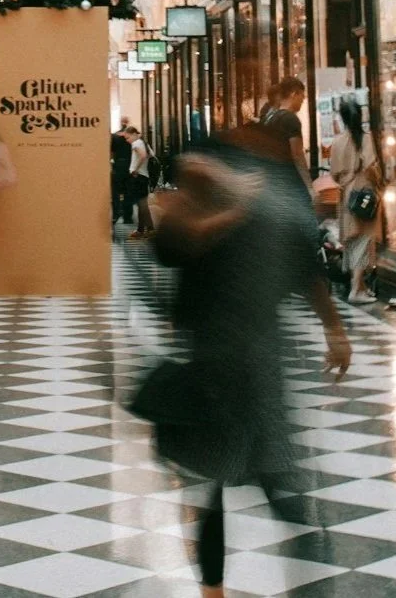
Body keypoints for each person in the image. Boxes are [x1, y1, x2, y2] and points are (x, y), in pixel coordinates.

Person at [139, 122, 351, 598]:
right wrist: (232, 207)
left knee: (278, 484)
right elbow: (171, 246)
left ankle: (304, 585)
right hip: (213, 363)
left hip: (255, 360)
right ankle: (213, 590)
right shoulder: (205, 199)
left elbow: (303, 264)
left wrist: (333, 327)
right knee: (215, 487)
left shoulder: (270, 197)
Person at [328, 95, 383, 303]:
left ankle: (359, 285)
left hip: (346, 193)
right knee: (363, 237)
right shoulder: (365, 138)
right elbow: (371, 166)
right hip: (363, 191)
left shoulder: (337, 142)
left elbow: (333, 174)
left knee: (352, 239)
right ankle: (355, 289)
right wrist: (379, 183)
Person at [259, 77, 309, 180]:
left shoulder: (270, 117)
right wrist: (309, 186)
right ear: (294, 94)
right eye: (302, 97)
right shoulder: (291, 119)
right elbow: (298, 155)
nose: (302, 101)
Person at [125, 123, 155, 237]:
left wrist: (136, 169)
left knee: (141, 203)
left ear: (133, 134)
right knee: (142, 203)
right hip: (144, 176)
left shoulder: (136, 144)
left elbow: (142, 156)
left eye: (128, 137)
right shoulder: (144, 143)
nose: (127, 140)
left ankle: (145, 229)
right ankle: (143, 229)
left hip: (138, 177)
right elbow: (151, 155)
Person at [110, 123, 135, 226]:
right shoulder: (132, 140)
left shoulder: (115, 138)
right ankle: (128, 217)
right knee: (128, 193)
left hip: (118, 167)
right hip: (129, 166)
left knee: (115, 192)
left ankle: (116, 214)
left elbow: (111, 152)